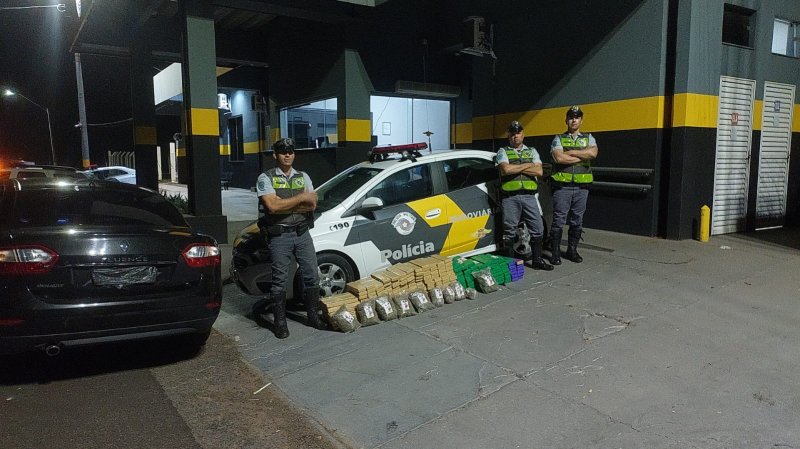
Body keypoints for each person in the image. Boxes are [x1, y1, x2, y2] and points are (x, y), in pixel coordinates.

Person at [256, 138, 327, 338]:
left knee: (312, 275)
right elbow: (272, 207)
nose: (287, 155)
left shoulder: (303, 176)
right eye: (282, 151)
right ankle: (280, 323)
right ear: (275, 155)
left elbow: (312, 203)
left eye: (290, 151)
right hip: (280, 236)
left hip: (303, 233)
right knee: (279, 280)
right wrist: (300, 198)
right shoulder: (266, 178)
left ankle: (313, 316)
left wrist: (285, 202)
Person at [496, 121, 553, 271]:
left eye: (518, 133)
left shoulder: (532, 151)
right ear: (509, 135)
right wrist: (528, 165)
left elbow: (539, 172)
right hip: (510, 198)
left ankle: (537, 260)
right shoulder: (502, 151)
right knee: (509, 231)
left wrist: (517, 168)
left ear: (523, 134)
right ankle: (511, 266)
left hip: (529, 197)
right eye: (513, 133)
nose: (516, 136)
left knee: (538, 229)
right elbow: (506, 170)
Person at [548, 106, 598, 264]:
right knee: (559, 220)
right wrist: (582, 156)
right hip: (562, 187)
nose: (574, 120)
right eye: (571, 117)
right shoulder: (558, 138)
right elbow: (559, 158)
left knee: (577, 220)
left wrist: (569, 152)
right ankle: (555, 253)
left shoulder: (589, 137)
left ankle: (572, 250)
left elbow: (593, 153)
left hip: (582, 188)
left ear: (581, 120)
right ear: (566, 120)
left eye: (577, 117)